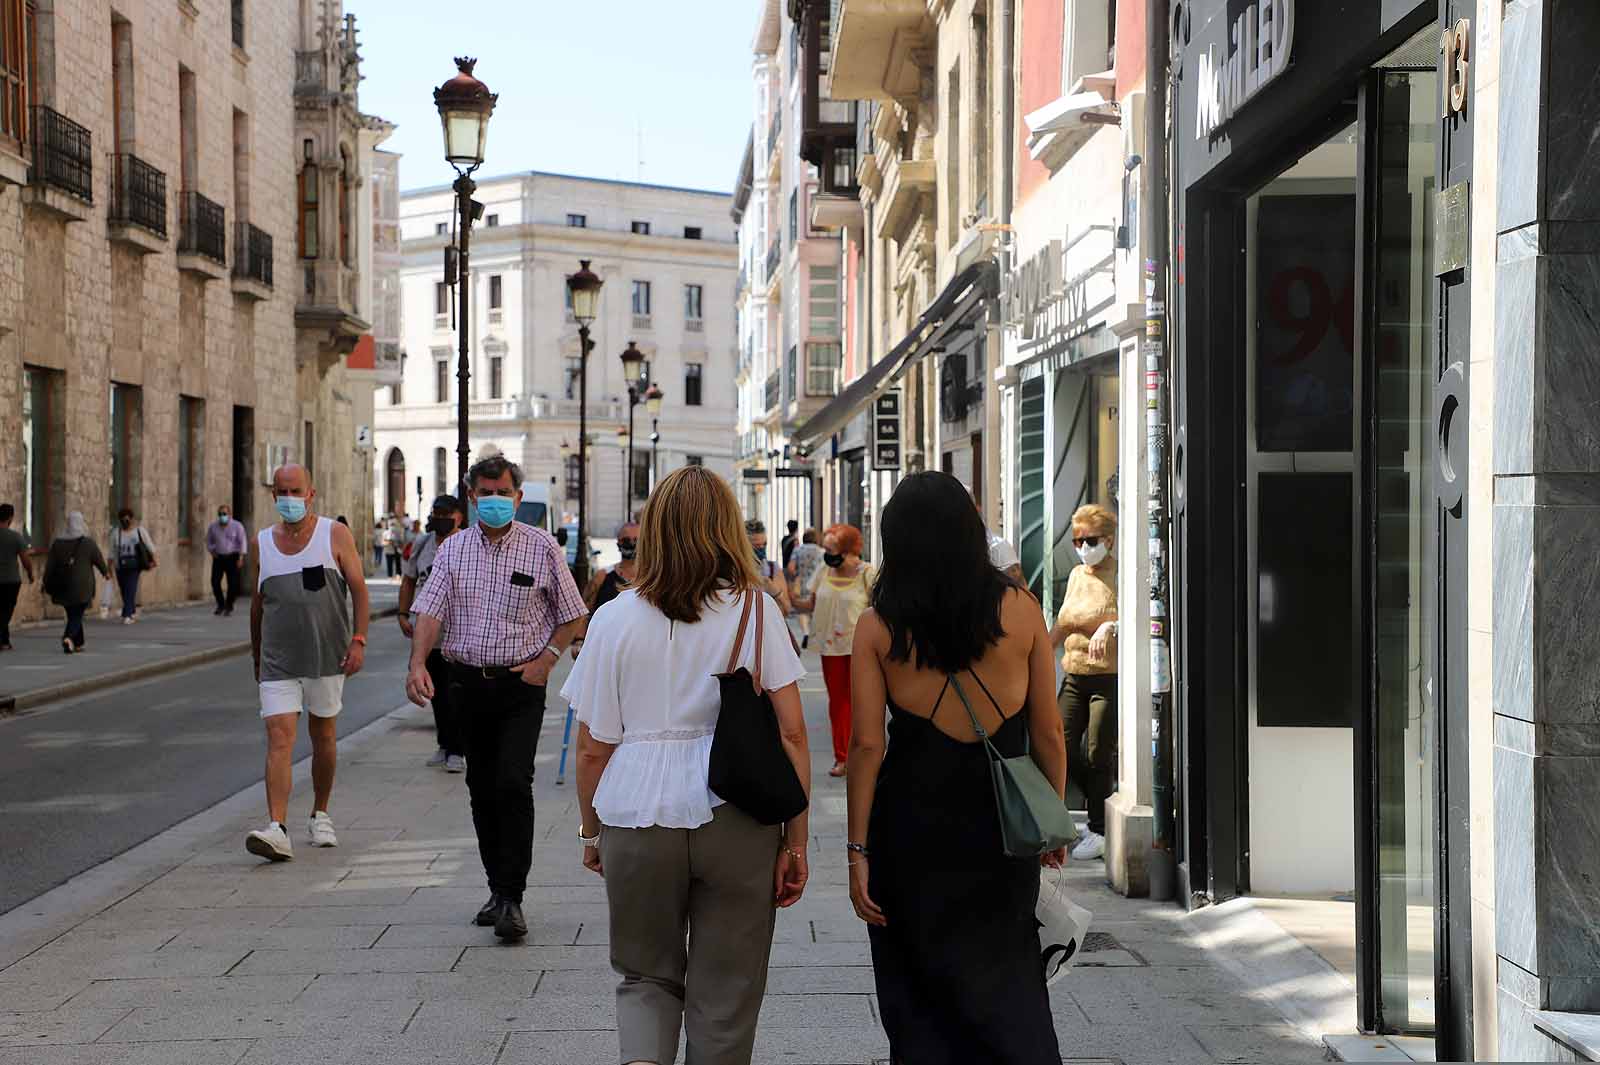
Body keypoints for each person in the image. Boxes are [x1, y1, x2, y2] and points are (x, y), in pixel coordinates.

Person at [565, 466, 810, 1065]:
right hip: (737, 811)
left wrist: (591, 831)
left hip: (634, 813)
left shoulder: (614, 617)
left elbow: (594, 745)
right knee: (727, 988)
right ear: (727, 530)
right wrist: (795, 844)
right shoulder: (757, 610)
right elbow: (793, 733)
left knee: (644, 975)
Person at [846, 471, 1067, 1064]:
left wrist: (857, 851)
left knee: (916, 991)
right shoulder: (1022, 611)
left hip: (910, 829)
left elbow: (866, 746)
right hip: (999, 827)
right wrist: (1050, 819)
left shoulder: (877, 627)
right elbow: (1047, 730)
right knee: (1010, 978)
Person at [405, 455, 588, 941]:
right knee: (482, 788)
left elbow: (573, 614)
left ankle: (513, 895)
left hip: (520, 685)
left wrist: (547, 660)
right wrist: (418, 662)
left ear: (517, 498)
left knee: (512, 782)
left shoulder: (542, 547)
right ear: (472, 497)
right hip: (466, 682)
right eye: (485, 493)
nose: (494, 501)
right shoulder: (452, 551)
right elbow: (430, 609)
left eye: (502, 493)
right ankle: (496, 887)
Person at [245, 464, 371, 863]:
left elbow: (360, 591)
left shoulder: (334, 534)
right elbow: (258, 603)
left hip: (326, 655)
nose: (289, 499)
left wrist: (359, 640)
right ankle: (277, 828)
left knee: (324, 736)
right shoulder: (261, 543)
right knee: (280, 737)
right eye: (282, 491)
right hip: (277, 661)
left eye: (296, 491)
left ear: (311, 493)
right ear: (273, 496)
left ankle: (320, 812)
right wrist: (256, 653)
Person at [1049, 503, 1119, 861]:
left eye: (1089, 540)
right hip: (1074, 673)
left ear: (1108, 538)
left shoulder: (1120, 574)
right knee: (1057, 743)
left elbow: (1131, 616)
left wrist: (1109, 626)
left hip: (1107, 676)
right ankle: (1069, 818)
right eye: (1076, 541)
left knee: (1097, 752)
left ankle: (1100, 828)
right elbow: (1062, 622)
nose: (1082, 547)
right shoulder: (1077, 575)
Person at [793, 524, 872, 778]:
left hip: (862, 649)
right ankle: (843, 757)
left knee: (862, 703)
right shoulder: (824, 570)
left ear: (848, 550)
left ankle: (864, 753)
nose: (827, 554)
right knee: (838, 704)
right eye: (825, 548)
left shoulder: (867, 574)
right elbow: (809, 604)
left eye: (831, 549)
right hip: (831, 649)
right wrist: (785, 598)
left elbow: (879, 610)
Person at [399, 494, 468, 773]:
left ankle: (457, 749)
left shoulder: (465, 543)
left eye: (445, 513)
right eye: (436, 513)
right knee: (435, 690)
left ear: (458, 517)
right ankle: (443, 743)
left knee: (455, 692)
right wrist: (403, 613)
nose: (439, 518)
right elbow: (409, 579)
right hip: (429, 632)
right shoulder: (423, 543)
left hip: (458, 630)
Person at [570, 520, 639, 660]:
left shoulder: (652, 579)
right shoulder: (602, 577)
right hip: (604, 651)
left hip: (639, 651)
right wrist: (578, 640)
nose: (631, 543)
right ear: (618, 543)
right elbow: (584, 611)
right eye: (626, 539)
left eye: (636, 540)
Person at [42, 512, 110, 654]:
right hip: (83, 586)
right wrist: (106, 573)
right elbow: (98, 560)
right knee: (77, 614)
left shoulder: (58, 543)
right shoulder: (88, 543)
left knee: (73, 613)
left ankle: (79, 642)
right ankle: (68, 638)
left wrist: (45, 581)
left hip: (63, 585)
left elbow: (50, 566)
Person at [108, 508, 156, 624]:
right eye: (123, 520)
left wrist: (154, 561)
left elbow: (149, 546)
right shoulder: (116, 533)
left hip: (135, 564)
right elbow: (112, 552)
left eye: (127, 520)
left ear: (132, 519)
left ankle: (127, 615)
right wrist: (109, 568)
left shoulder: (140, 531)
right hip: (120, 565)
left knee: (131, 587)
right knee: (124, 589)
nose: (126, 523)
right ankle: (132, 611)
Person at [0, 502, 35, 651]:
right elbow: (25, 560)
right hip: (10, 580)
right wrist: (30, 574)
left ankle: (5, 641)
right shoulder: (15, 537)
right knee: (6, 610)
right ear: (10, 518)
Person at [786, 528, 824, 650]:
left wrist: (797, 574)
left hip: (802, 584)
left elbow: (790, 567)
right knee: (814, 609)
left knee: (802, 610)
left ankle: (806, 632)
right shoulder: (821, 552)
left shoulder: (797, 550)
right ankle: (814, 634)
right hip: (817, 585)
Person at [206, 504, 248, 616]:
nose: (222, 516)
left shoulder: (237, 526)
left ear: (229, 515)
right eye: (220, 514)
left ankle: (229, 605)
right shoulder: (213, 527)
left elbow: (242, 541)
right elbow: (209, 540)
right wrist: (212, 551)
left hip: (232, 557)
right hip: (219, 557)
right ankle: (220, 604)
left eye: (224, 514)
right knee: (215, 582)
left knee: (232, 584)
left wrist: (241, 557)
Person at [744, 520, 792, 614]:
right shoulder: (737, 571)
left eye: (764, 544)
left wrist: (776, 592)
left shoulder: (772, 568)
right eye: (757, 546)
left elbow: (787, 609)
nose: (762, 548)